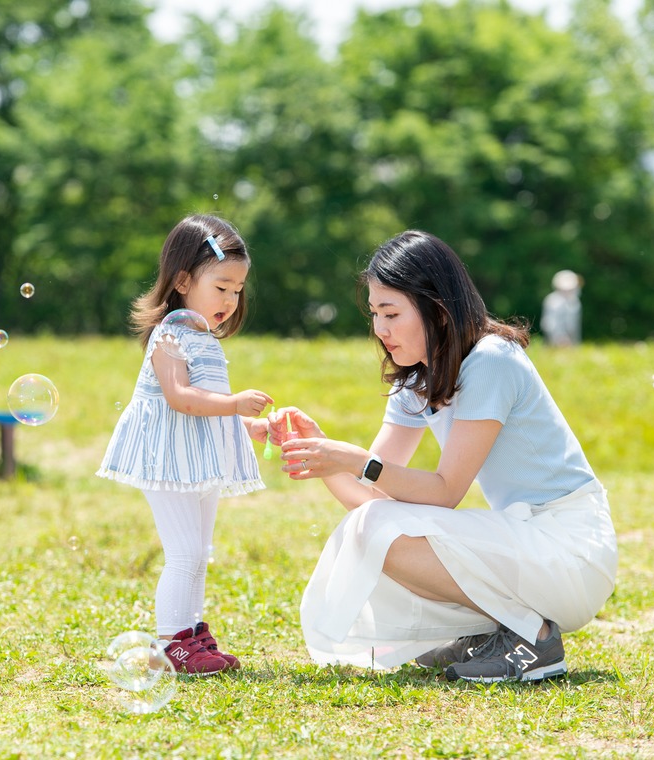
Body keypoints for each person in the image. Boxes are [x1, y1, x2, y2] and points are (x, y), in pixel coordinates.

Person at [269, 230, 617, 683]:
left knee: (382, 528)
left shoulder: (492, 360)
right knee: (370, 529)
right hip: (524, 540)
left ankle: (535, 638)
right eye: (375, 313)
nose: (380, 329)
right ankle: (497, 631)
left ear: (436, 308)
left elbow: (445, 492)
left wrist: (355, 460)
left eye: (391, 313)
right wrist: (327, 458)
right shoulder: (417, 380)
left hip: (571, 548)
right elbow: (367, 501)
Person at [97, 214, 273, 675]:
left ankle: (192, 633)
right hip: (166, 458)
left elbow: (208, 404)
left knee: (200, 551)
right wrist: (234, 403)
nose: (231, 300)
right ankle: (171, 641)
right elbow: (181, 397)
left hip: (197, 461)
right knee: (185, 553)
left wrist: (245, 425)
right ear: (181, 281)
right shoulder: (170, 334)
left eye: (237, 290)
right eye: (221, 287)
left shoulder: (205, 338)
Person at [541, 269, 583, 346]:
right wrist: (560, 338)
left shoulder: (575, 302)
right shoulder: (553, 301)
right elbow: (549, 323)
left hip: (573, 345)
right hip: (556, 343)